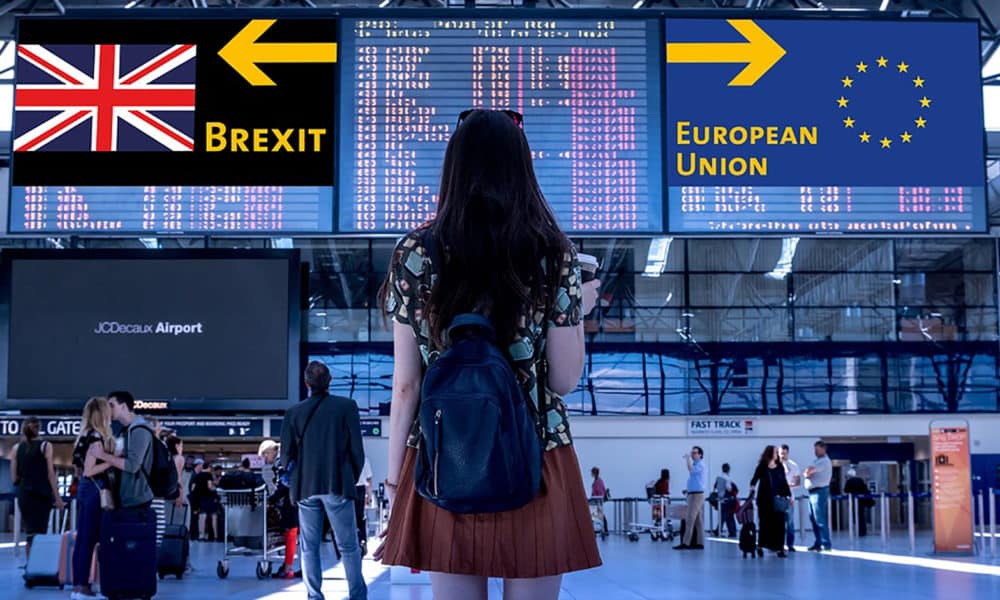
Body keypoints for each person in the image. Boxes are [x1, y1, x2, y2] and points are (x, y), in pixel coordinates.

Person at [375, 108, 603, 600]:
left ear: (453, 168)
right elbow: (563, 379)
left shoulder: (416, 251)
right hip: (537, 452)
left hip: (443, 453)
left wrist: (396, 480)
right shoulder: (553, 252)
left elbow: (406, 384)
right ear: (522, 168)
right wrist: (576, 310)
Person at [280, 361, 367, 600]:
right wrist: (351, 476)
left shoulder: (293, 413)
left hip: (305, 487)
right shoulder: (347, 407)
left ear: (306, 384)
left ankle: (314, 595)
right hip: (337, 483)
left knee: (309, 546)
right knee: (348, 545)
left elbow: (285, 455)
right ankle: (357, 596)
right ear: (330, 381)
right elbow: (357, 451)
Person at [70, 397, 116, 600]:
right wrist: (113, 461)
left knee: (82, 540)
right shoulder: (96, 437)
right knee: (89, 540)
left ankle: (78, 585)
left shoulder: (82, 436)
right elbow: (90, 470)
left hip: (84, 489)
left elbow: (80, 469)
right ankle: (82, 588)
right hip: (95, 491)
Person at [10, 417, 64, 559]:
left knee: (30, 533)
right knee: (40, 532)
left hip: (24, 495)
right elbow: (51, 475)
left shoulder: (16, 448)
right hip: (41, 494)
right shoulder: (46, 446)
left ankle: (30, 567)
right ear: (39, 428)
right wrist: (58, 499)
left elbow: (14, 478)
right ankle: (38, 566)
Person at [89, 391, 154, 510]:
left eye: (112, 405)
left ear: (123, 406)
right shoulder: (124, 431)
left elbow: (132, 465)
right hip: (125, 499)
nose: (108, 409)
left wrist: (103, 455)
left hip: (136, 501)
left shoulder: (139, 431)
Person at [259, 439, 300, 579]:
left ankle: (288, 567)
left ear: (272, 451)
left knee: (290, 532)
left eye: (265, 454)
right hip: (296, 499)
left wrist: (271, 500)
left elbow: (285, 484)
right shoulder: (287, 459)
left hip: (291, 501)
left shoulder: (283, 461)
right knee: (292, 532)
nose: (265, 458)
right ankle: (288, 565)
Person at [750, 446, 792, 558]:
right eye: (775, 452)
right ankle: (761, 546)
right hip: (764, 501)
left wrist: (789, 496)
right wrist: (752, 488)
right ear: (770, 453)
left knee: (780, 524)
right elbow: (754, 480)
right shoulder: (762, 467)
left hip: (778, 499)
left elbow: (784, 482)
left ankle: (779, 548)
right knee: (765, 524)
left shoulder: (779, 467)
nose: (777, 454)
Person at [803, 440, 833, 551]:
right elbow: (807, 471)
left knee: (819, 519)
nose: (815, 451)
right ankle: (818, 542)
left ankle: (826, 543)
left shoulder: (824, 461)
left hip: (819, 492)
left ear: (823, 449)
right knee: (813, 519)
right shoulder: (817, 460)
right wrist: (807, 472)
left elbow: (809, 471)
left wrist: (808, 473)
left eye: (817, 449)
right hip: (812, 493)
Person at [675, 447, 706, 550]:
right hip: (693, 494)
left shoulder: (700, 464)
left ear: (700, 454)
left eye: (695, 453)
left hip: (697, 496)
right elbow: (695, 481)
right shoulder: (696, 465)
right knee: (698, 521)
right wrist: (688, 490)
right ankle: (700, 543)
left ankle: (686, 543)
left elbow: (690, 471)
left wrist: (687, 459)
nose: (693, 454)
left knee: (689, 518)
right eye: (692, 453)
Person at [189, 459, 219, 542]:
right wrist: (215, 488)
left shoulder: (197, 475)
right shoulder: (208, 475)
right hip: (210, 498)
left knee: (202, 516)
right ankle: (216, 536)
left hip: (201, 498)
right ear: (209, 467)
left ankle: (201, 535)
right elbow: (209, 486)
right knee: (214, 516)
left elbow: (192, 488)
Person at [780, 444, 801, 551]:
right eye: (781, 453)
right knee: (778, 522)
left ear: (788, 453)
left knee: (790, 522)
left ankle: (790, 544)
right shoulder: (774, 465)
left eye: (784, 453)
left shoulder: (793, 465)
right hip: (777, 498)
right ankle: (778, 544)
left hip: (789, 497)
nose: (783, 455)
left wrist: (788, 486)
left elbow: (798, 482)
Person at [844, 467, 872, 537]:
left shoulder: (849, 481)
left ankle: (857, 530)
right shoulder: (860, 480)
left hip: (853, 501)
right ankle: (863, 531)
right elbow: (865, 489)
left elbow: (845, 490)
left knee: (855, 516)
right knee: (861, 516)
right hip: (861, 501)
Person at [714, 463, 737, 538]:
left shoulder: (718, 477)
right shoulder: (727, 478)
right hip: (727, 499)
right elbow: (729, 488)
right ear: (728, 470)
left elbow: (715, 487)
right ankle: (730, 531)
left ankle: (727, 531)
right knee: (727, 515)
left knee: (724, 515)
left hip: (720, 498)